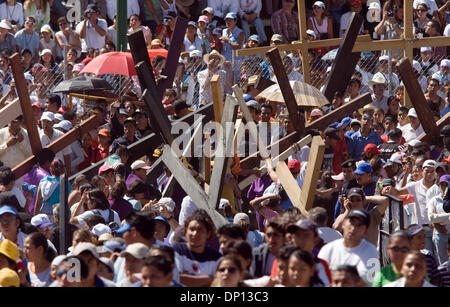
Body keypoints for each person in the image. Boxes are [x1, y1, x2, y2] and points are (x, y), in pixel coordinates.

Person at [318, 209, 379, 285]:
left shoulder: (371, 251)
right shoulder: (328, 249)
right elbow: (319, 278)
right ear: (343, 224)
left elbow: (370, 281)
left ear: (366, 231)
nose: (353, 229)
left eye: (359, 225)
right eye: (351, 223)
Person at [173, 209, 221, 287]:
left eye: (200, 230)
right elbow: (176, 278)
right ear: (186, 231)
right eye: (192, 229)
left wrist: (188, 277)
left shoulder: (216, 257)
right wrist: (209, 279)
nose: (195, 234)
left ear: (208, 234)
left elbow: (219, 283)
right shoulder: (177, 250)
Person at [427, 175, 450, 265]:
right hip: (440, 235)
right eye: (442, 185)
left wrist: (439, 219)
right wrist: (448, 216)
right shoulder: (434, 200)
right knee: (443, 262)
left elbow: (435, 218)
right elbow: (431, 218)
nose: (444, 187)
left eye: (446, 185)